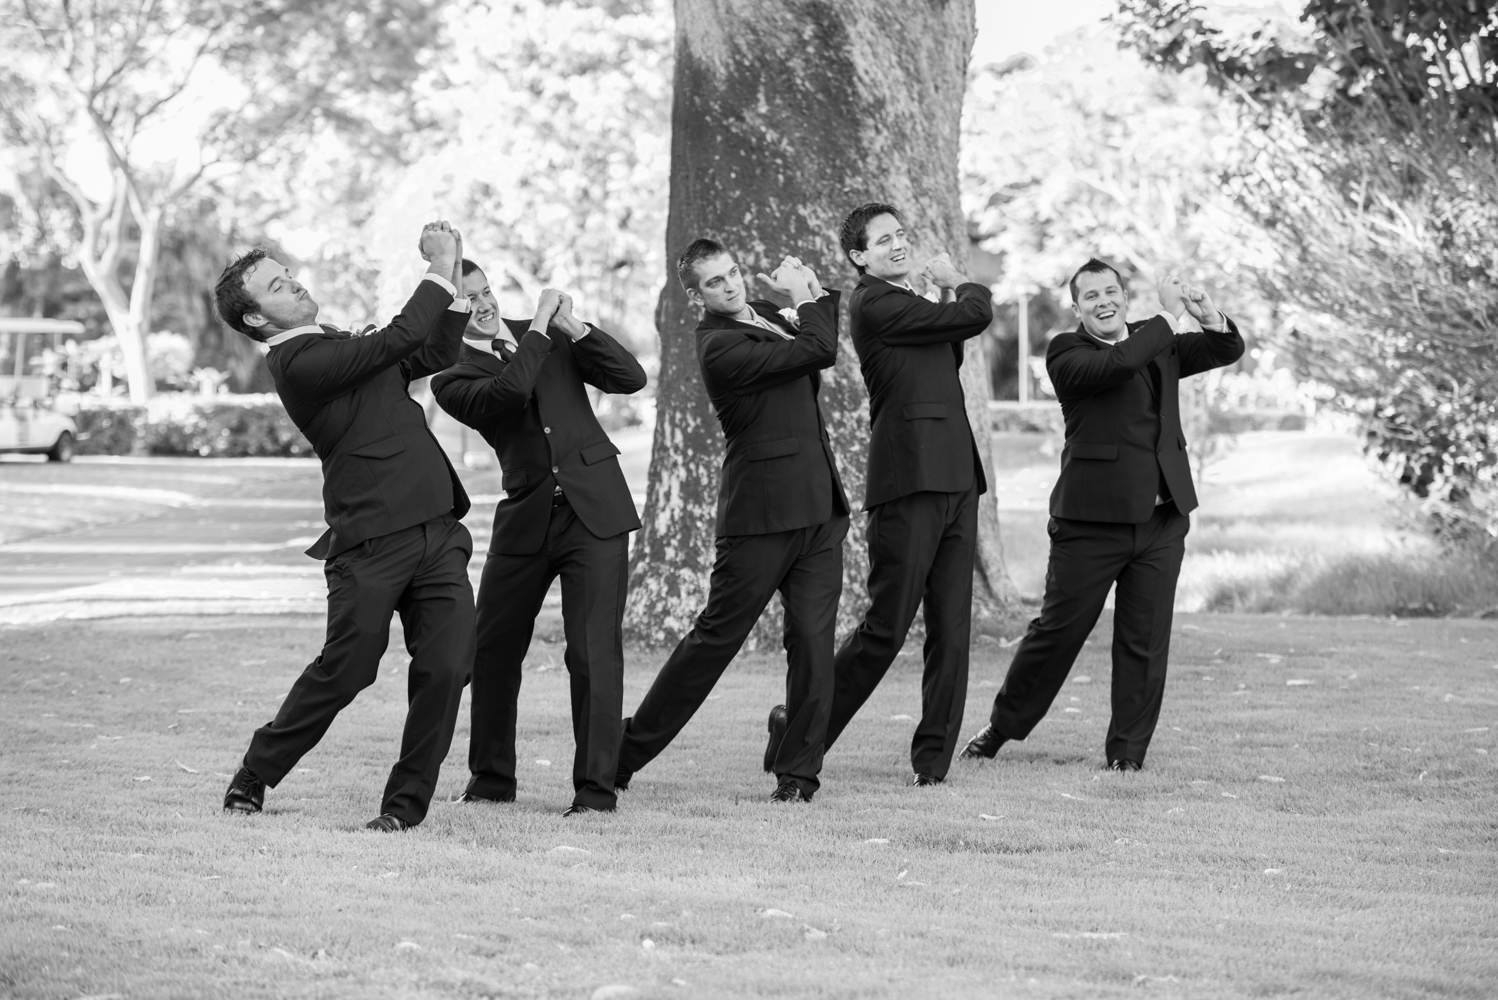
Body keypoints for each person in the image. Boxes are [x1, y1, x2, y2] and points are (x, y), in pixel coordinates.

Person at [214, 222, 476, 832]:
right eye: (279, 286)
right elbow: (403, 334)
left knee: (447, 666)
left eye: (289, 274)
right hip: (370, 543)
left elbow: (431, 351)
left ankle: (401, 809)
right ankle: (258, 768)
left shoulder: (338, 345)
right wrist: (437, 267)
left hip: (437, 529)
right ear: (258, 320)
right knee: (350, 667)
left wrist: (455, 283)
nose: (297, 285)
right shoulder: (300, 362)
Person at [959, 258, 1245, 770]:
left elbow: (1226, 348)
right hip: (1090, 524)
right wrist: (1166, 315)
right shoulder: (1067, 352)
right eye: (1092, 296)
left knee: (1145, 640)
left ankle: (1126, 756)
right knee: (1057, 634)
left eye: (1111, 291)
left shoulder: (1155, 341)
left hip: (1162, 520)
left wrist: (1206, 314)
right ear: (1078, 308)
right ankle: (1003, 726)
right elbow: (1118, 366)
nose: (1105, 301)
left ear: (1123, 296)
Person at [615, 240, 848, 803]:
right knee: (715, 640)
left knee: (815, 646)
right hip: (759, 516)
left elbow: (817, 335)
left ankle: (798, 774)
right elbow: (820, 349)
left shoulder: (766, 317)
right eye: (715, 282)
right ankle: (622, 754)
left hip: (818, 507)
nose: (731, 285)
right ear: (696, 295)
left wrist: (809, 294)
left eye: (733, 273)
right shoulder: (719, 346)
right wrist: (805, 295)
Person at [431, 260, 647, 817]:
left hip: (595, 509)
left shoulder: (551, 332)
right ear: (447, 314)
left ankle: (596, 793)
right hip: (526, 515)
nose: (482, 305)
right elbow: (510, 391)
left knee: (593, 652)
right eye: (465, 300)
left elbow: (630, 378)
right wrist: (538, 332)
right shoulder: (451, 377)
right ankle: (492, 779)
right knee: (493, 649)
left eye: (483, 292)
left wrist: (574, 329)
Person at [821, 202, 993, 787]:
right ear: (859, 256)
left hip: (957, 478)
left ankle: (932, 764)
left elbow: (948, 350)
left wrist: (941, 297)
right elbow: (973, 317)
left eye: (901, 235)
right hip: (907, 481)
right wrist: (958, 285)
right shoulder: (872, 301)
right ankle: (802, 729)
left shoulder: (912, 303)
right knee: (887, 626)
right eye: (884, 240)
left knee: (952, 628)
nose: (898, 245)